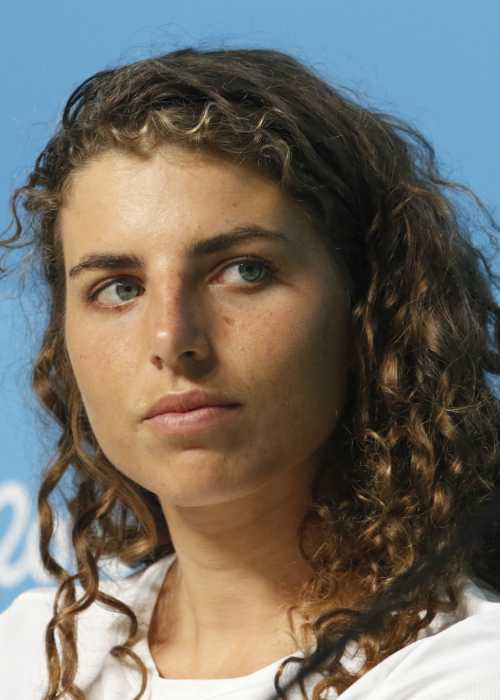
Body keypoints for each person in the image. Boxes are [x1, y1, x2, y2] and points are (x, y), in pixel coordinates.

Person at [0, 46, 499, 700]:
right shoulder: (33, 651)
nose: (172, 338)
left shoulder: (465, 670)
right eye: (119, 288)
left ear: (367, 307)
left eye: (245, 271)